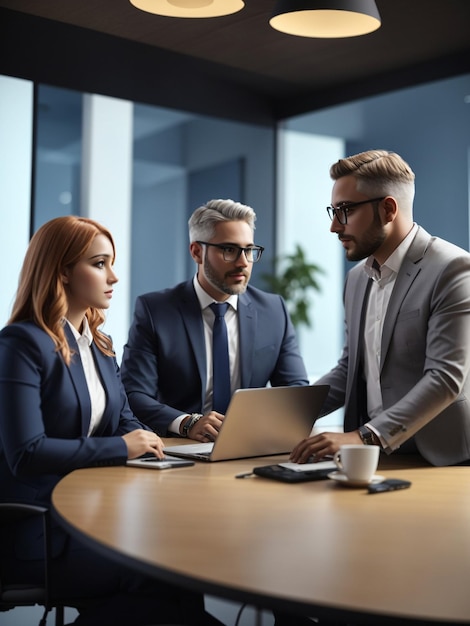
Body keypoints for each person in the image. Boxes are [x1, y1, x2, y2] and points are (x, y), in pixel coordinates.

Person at [0, 216, 222, 626]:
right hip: (42, 530)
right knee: (159, 577)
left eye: (111, 263)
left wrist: (159, 449)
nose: (114, 276)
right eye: (99, 263)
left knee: (181, 570)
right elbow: (26, 453)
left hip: (95, 513)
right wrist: (123, 447)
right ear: (62, 271)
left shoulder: (99, 347)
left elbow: (123, 420)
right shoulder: (21, 344)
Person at [290, 149, 470, 467]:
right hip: (371, 457)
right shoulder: (357, 279)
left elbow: (445, 377)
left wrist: (364, 436)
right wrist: (277, 415)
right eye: (332, 211)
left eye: (345, 210)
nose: (334, 226)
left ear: (388, 209)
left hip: (441, 460)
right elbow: (350, 369)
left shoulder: (453, 269)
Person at [121, 198, 309, 441]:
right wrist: (188, 423)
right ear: (197, 252)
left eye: (249, 250)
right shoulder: (155, 310)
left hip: (252, 446)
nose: (243, 262)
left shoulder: (274, 310)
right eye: (229, 250)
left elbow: (296, 393)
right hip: (181, 448)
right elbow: (134, 393)